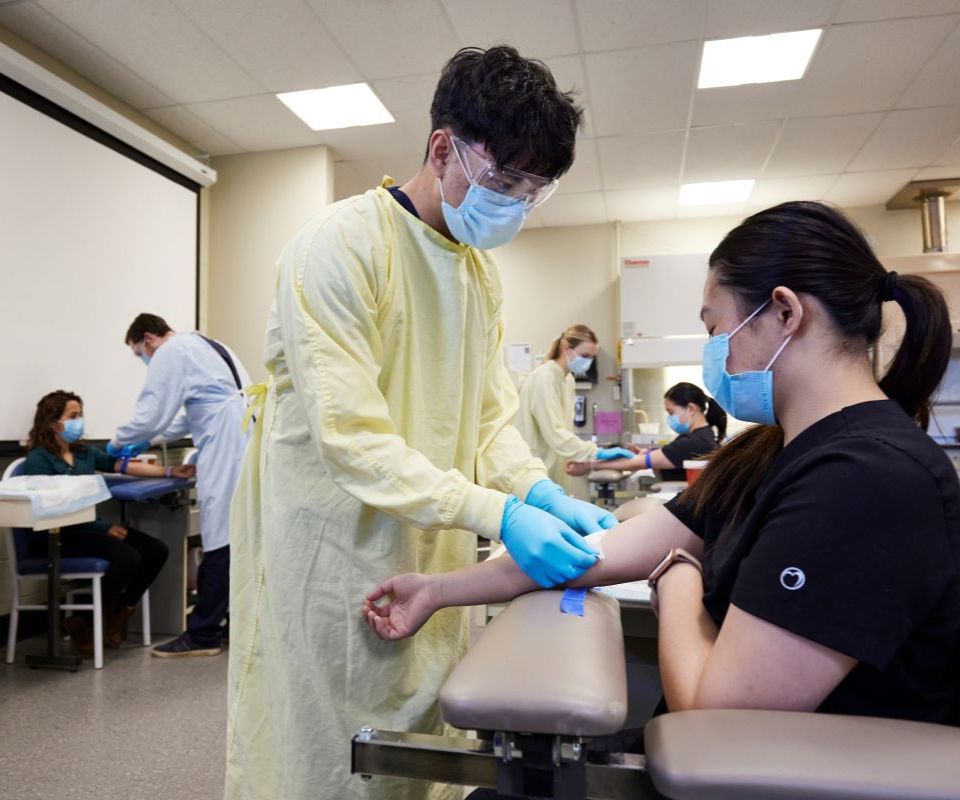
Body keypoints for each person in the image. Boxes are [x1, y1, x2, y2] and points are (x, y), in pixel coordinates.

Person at [365, 203, 960, 786]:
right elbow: (605, 550)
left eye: (714, 328)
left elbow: (718, 714)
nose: (714, 353)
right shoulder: (771, 452)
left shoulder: (868, 479)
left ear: (784, 312)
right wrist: (440, 590)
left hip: (775, 775)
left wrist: (677, 579)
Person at [225, 46, 615, 800]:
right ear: (443, 149)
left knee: (425, 738)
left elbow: (489, 422)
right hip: (331, 545)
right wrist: (495, 509)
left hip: (428, 537)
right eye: (505, 181)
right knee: (331, 748)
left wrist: (534, 491)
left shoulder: (476, 273)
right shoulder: (337, 247)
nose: (515, 206)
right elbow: (353, 438)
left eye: (533, 193)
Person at [107, 313, 250, 658]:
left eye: (139, 352)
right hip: (243, 435)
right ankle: (233, 623)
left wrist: (118, 441)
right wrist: (151, 438)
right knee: (240, 535)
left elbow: (151, 412)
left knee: (219, 536)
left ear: (148, 339)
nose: (144, 359)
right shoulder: (208, 344)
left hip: (225, 442)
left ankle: (203, 634)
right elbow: (188, 414)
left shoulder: (171, 352)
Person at [23, 390, 192, 656]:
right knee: (127, 558)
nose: (79, 421)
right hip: (60, 534)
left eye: (80, 415)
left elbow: (122, 466)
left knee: (156, 550)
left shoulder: (84, 453)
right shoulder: (39, 460)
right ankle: (86, 621)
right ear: (54, 422)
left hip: (89, 529)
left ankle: (116, 615)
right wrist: (104, 529)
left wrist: (170, 471)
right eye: (73, 416)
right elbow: (54, 508)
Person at [515, 324, 634, 486]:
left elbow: (564, 429)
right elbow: (554, 432)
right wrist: (595, 452)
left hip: (554, 465)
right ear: (566, 348)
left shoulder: (567, 379)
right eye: (584, 355)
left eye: (592, 357)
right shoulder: (543, 378)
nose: (588, 362)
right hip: (536, 466)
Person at [566, 382, 725, 482]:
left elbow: (636, 463)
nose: (670, 418)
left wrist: (589, 465)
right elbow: (668, 456)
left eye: (671, 412)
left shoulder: (693, 442)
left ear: (691, 408)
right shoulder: (704, 435)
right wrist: (647, 453)